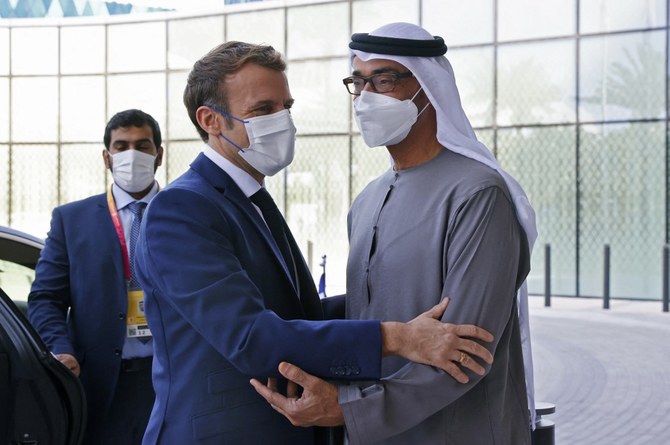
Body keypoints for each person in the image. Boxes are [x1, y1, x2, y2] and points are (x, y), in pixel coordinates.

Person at [133, 41, 496, 445]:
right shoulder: (181, 209)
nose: (283, 121)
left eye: (285, 107)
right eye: (263, 110)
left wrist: (394, 306)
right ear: (211, 120)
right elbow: (252, 339)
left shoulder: (251, 200)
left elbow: (295, 313)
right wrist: (399, 337)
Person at [251, 22, 538, 445]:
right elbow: (371, 312)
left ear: (428, 87)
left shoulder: (478, 194)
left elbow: (466, 351)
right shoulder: (367, 200)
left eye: (383, 80)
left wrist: (347, 408)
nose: (366, 98)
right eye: (358, 83)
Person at [28, 109, 164, 444]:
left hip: (172, 380)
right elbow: (46, 298)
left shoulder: (187, 212)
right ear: (107, 157)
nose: (131, 154)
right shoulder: (72, 220)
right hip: (101, 385)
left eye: (142, 145)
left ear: (158, 154)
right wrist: (61, 349)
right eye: (121, 146)